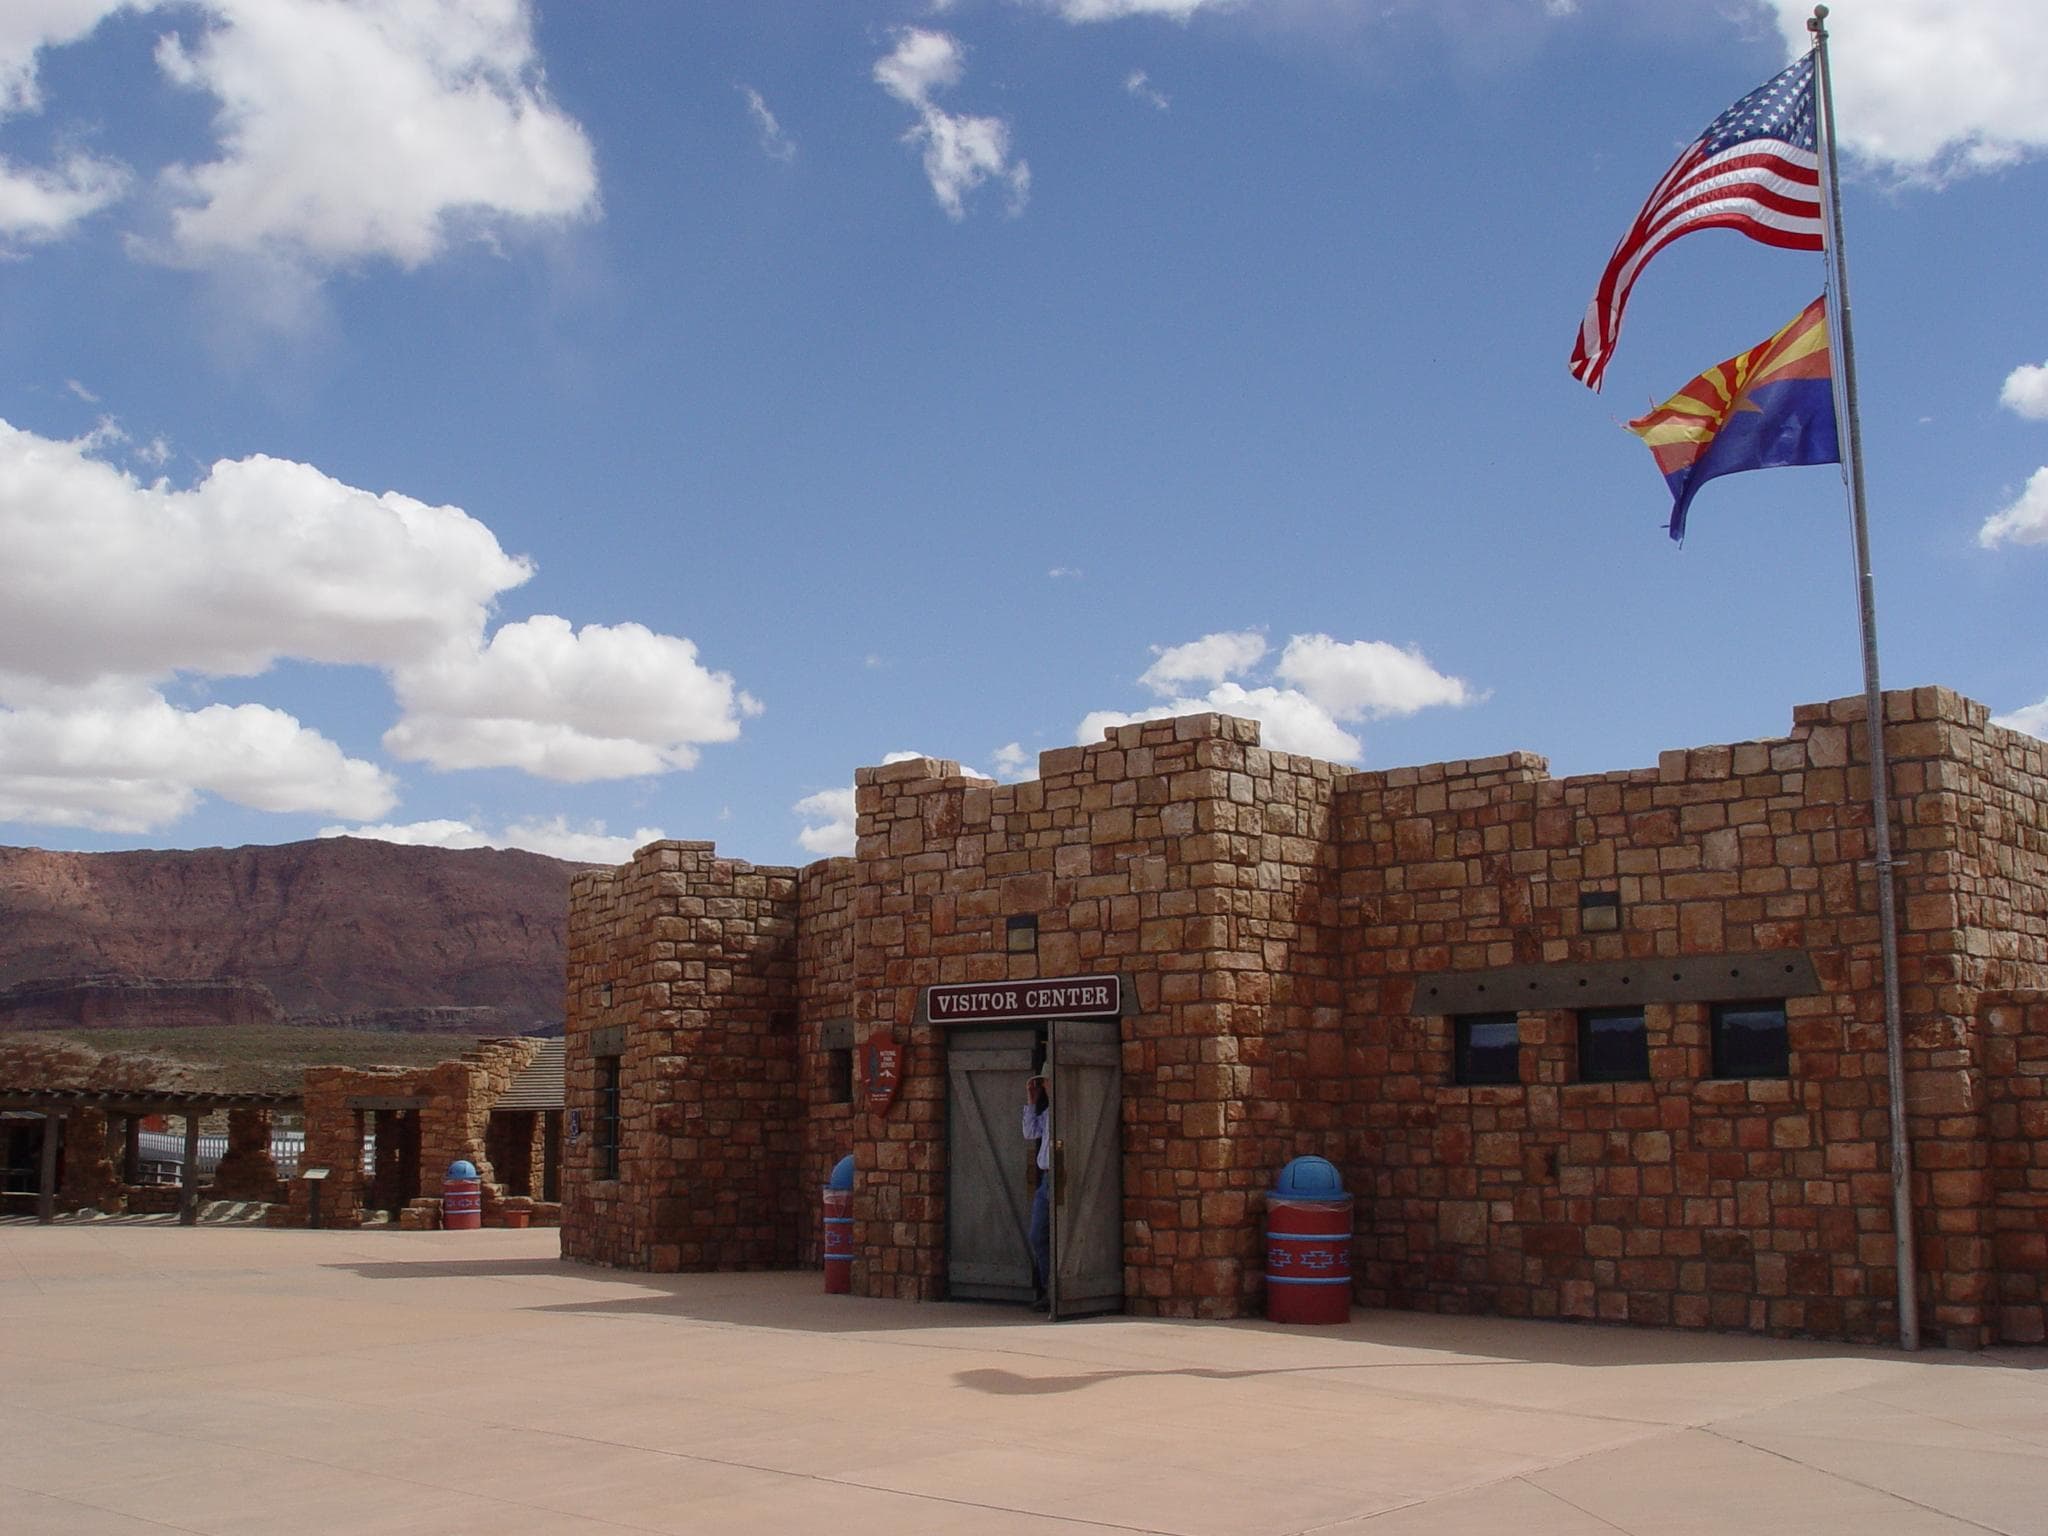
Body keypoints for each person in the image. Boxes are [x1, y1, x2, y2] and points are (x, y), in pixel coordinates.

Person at [1021, 1072, 1051, 1309]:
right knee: (1038, 1234)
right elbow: (1030, 1133)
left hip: (1065, 1178)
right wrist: (1032, 1101)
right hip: (1047, 1179)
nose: (1045, 1086)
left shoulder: (1072, 1109)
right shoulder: (1049, 1113)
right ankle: (1050, 1288)